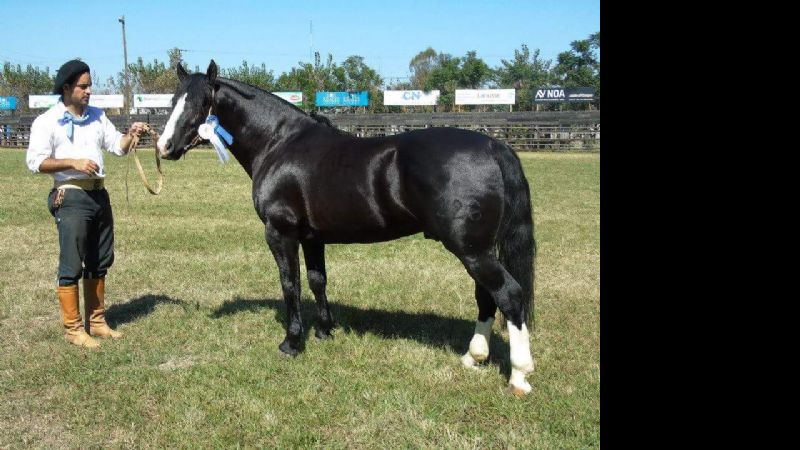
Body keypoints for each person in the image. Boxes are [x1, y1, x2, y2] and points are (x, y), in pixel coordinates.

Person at [26, 59, 147, 348]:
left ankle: (97, 322)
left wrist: (132, 135)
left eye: (90, 85)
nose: (89, 91)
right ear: (66, 88)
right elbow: (35, 161)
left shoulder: (97, 116)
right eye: (83, 86)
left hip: (99, 195)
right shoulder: (46, 121)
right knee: (72, 262)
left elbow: (118, 147)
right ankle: (73, 329)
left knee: (100, 259)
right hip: (71, 196)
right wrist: (73, 162)